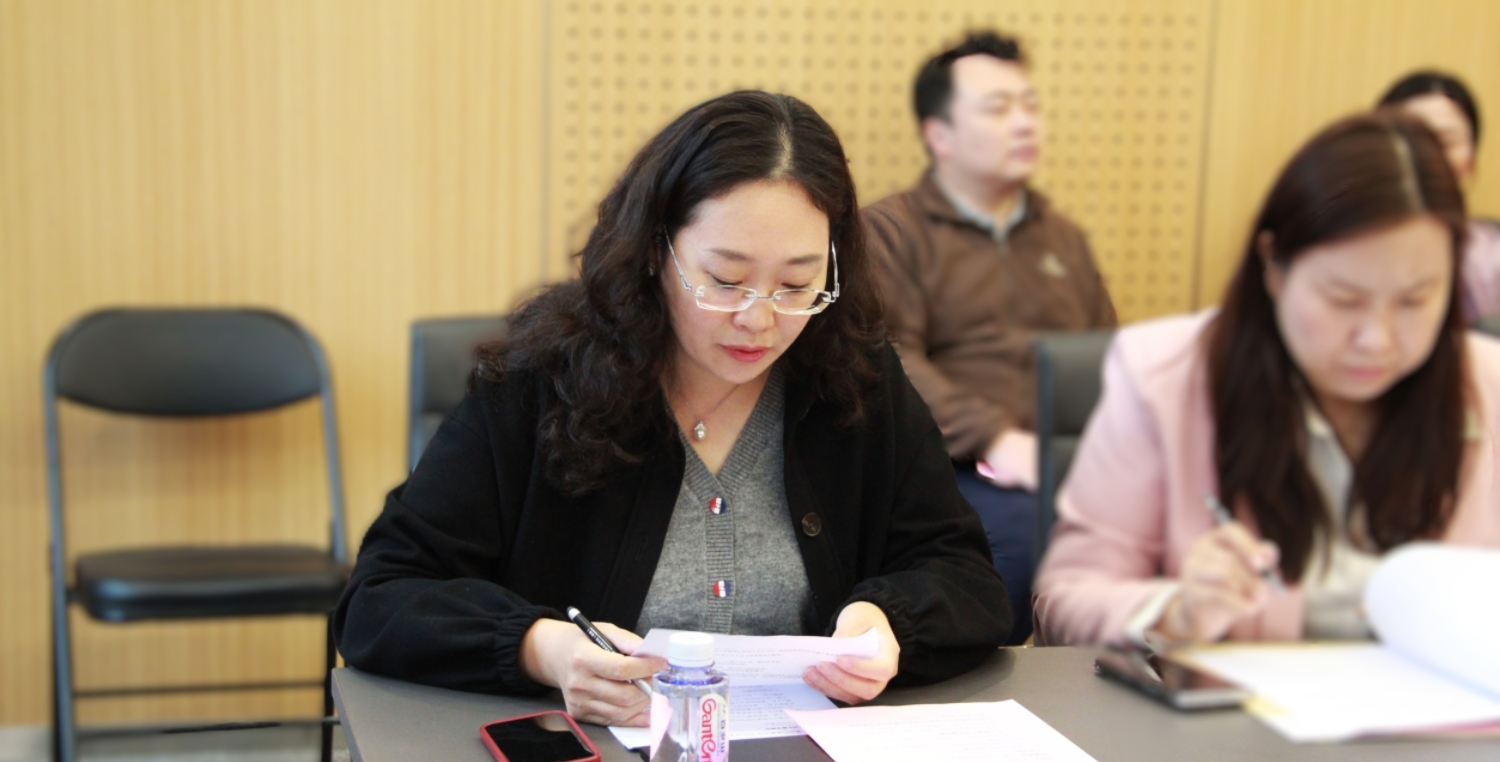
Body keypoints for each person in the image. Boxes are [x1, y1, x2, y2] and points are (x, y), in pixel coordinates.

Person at [335, 91, 1011, 725]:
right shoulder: (541, 383)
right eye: (725, 280)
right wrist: (543, 649)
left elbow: (965, 574)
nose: (760, 320)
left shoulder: (853, 379)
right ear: (655, 252)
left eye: (797, 284)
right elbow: (381, 596)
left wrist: (888, 621)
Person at [1033, 112, 1500, 647]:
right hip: (1233, 701)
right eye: (1344, 299)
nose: (1377, 338)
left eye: (1415, 300)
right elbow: (1065, 598)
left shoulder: (1488, 384)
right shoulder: (1164, 377)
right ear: (1273, 266)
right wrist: (1175, 612)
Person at [864, 31, 1117, 645]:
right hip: (954, 471)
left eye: (1029, 105)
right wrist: (997, 439)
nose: (1024, 123)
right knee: (1015, 535)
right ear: (940, 134)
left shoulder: (1061, 240)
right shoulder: (890, 232)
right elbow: (890, 358)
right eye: (998, 108)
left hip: (1062, 461)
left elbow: (1106, 358)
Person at [1378, 70, 1500, 324]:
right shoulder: (1344, 245)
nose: (1428, 154)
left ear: (1471, 161)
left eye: (1446, 141)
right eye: (1412, 139)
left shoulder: (1492, 256)